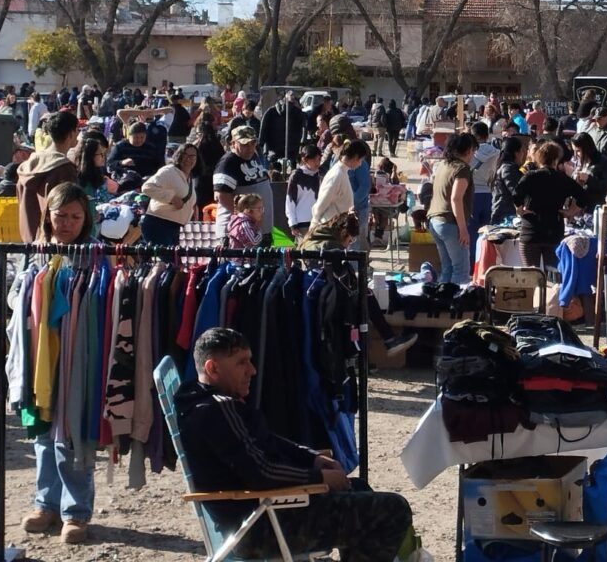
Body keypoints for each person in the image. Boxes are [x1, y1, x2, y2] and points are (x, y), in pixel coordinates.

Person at [175, 327, 414, 561]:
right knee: (393, 509)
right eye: (241, 363)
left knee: (358, 487)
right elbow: (262, 472)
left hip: (259, 516)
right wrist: (318, 478)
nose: (252, 370)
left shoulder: (201, 401)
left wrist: (312, 457)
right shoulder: (218, 408)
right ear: (212, 367)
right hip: (260, 528)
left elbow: (268, 441)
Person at [17, 182, 98, 544]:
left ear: (86, 219)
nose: (66, 223)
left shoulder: (96, 256)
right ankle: (45, 503)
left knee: (72, 431)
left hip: (79, 354)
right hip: (41, 356)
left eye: (74, 216)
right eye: (60, 215)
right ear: (48, 216)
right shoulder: (34, 254)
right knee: (44, 430)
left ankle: (76, 511)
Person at [512, 140, 590, 270]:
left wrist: (519, 210)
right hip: (554, 230)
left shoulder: (530, 176)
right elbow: (583, 196)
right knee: (553, 276)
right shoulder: (563, 179)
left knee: (531, 275)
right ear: (556, 159)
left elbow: (516, 195)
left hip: (531, 230)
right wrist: (570, 211)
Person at [17, 110, 80, 243]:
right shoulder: (64, 170)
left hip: (29, 242)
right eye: (77, 130)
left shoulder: (28, 166)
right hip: (54, 242)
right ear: (71, 133)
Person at [427, 133, 476, 285]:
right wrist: (463, 229)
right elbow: (456, 198)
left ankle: (443, 304)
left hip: (435, 220)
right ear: (468, 150)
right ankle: (456, 306)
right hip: (450, 224)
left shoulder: (443, 165)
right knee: (461, 271)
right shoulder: (462, 169)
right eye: (473, 151)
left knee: (447, 269)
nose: (473, 155)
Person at [212, 126, 273, 240]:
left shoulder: (253, 156)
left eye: (253, 143)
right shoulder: (228, 163)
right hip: (239, 233)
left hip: (260, 231)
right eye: (244, 144)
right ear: (233, 143)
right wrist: (246, 219)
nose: (250, 147)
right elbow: (221, 195)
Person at [140, 143, 199, 246]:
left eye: (192, 156)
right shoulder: (169, 171)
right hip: (158, 225)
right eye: (185, 155)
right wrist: (171, 198)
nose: (188, 159)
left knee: (172, 261)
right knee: (167, 261)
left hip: (176, 229)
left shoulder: (190, 178)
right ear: (179, 155)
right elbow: (147, 187)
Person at [310, 138, 366, 227]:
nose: (360, 165)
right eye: (360, 161)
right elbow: (322, 204)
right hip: (328, 228)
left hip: (337, 228)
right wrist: (314, 226)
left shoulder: (342, 172)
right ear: (355, 157)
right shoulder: (337, 174)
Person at [466, 122, 498, 259]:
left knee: (472, 233)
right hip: (490, 194)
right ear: (487, 134)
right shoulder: (497, 152)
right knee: (487, 234)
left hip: (473, 195)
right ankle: (485, 262)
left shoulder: (470, 153)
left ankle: (473, 264)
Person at [106, 121, 163, 192]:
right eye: (136, 137)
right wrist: (122, 162)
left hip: (147, 181)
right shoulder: (120, 147)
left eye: (142, 137)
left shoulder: (151, 148)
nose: (139, 140)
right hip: (126, 180)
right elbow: (109, 164)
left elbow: (160, 165)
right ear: (129, 136)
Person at [285, 143, 322, 240]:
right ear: (305, 159)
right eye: (313, 160)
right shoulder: (296, 175)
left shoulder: (320, 175)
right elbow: (290, 200)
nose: (317, 163)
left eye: (318, 159)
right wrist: (292, 223)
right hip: (302, 222)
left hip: (318, 220)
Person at [571, 132, 607, 208]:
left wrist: (588, 179)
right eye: (574, 151)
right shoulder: (580, 162)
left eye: (578, 151)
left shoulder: (604, 162)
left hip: (595, 207)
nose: (575, 155)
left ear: (586, 148)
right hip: (580, 207)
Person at [490, 137, 526, 224]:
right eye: (522, 151)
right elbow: (515, 191)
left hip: (504, 213)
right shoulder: (508, 168)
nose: (523, 154)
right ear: (516, 153)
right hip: (506, 216)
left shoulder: (505, 166)